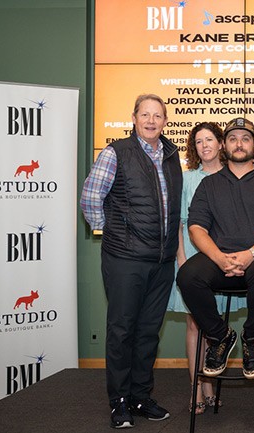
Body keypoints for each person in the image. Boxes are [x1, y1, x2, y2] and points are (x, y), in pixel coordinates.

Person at [80, 94, 182, 429]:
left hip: (161, 260)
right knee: (122, 331)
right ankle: (119, 402)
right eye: (145, 114)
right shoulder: (116, 152)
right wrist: (111, 233)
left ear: (165, 121)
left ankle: (141, 396)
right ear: (134, 117)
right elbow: (91, 196)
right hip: (125, 259)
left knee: (148, 332)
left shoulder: (171, 154)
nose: (151, 121)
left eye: (158, 116)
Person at [176, 117, 254, 384]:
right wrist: (219, 258)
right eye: (233, 139)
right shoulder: (210, 184)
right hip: (220, 258)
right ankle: (220, 336)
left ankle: (252, 338)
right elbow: (196, 228)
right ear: (224, 146)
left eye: (245, 138)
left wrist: (251, 254)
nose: (239, 144)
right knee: (187, 276)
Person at [166, 122, 242, 413]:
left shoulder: (234, 177)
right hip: (191, 260)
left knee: (213, 325)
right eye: (199, 142)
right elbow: (179, 224)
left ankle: (211, 383)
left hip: (222, 262)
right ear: (194, 148)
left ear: (221, 143)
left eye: (210, 139)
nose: (205, 145)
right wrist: (182, 260)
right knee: (194, 323)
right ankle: (196, 388)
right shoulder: (186, 180)